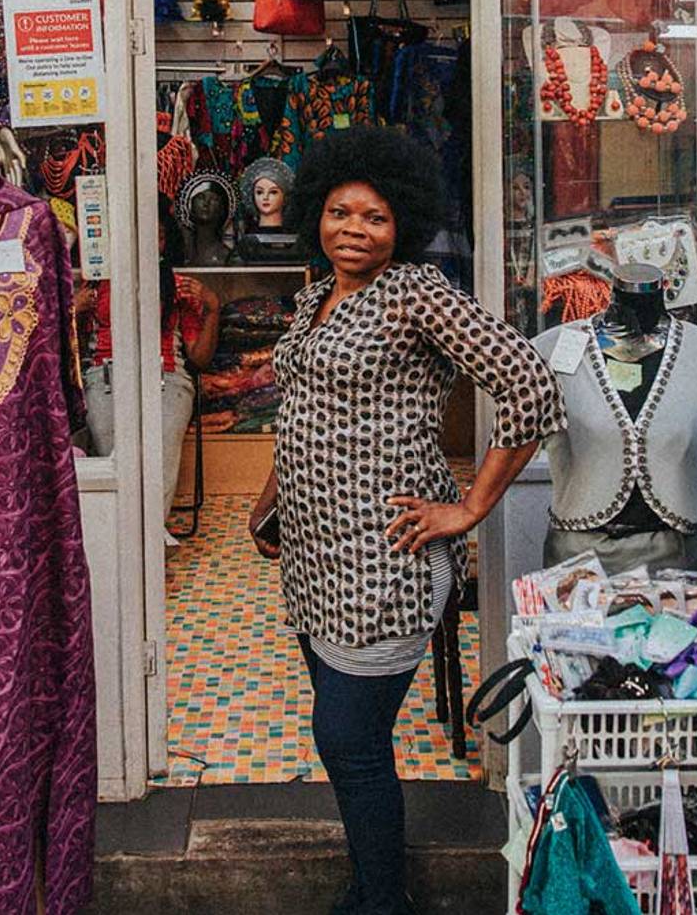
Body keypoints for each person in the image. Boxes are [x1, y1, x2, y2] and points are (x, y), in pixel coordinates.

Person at [248, 126, 563, 915]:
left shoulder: (416, 293)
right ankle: (369, 887)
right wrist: (272, 493)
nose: (354, 229)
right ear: (316, 214)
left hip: (384, 557)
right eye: (340, 212)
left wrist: (471, 506)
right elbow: (307, 403)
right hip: (316, 557)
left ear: (403, 225)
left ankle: (384, 900)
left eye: (375, 217)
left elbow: (528, 385)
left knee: (349, 740)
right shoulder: (315, 296)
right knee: (344, 741)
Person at [77, 206, 220, 518]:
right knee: (115, 456)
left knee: (159, 451)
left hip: (166, 376)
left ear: (165, 243)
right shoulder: (96, 285)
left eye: (156, 236)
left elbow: (199, 358)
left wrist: (212, 308)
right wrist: (74, 311)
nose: (145, 243)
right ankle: (128, 532)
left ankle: (152, 533)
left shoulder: (178, 286)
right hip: (106, 375)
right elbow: (66, 352)